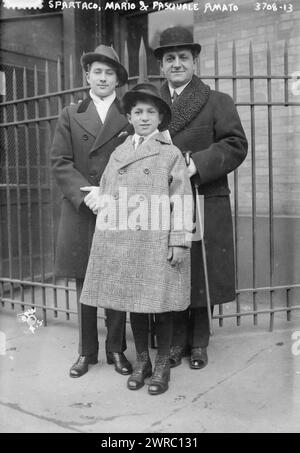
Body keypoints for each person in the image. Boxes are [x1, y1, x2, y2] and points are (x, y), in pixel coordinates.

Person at [80, 83, 193, 395]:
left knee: (163, 304)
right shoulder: (119, 153)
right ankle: (141, 360)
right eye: (138, 112)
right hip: (124, 239)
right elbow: (107, 193)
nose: (144, 118)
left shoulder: (170, 154)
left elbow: (182, 199)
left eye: (151, 112)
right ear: (128, 116)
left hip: (157, 237)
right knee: (136, 305)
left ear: (160, 118)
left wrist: (179, 241)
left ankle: (161, 367)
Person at [153, 26, 248, 370]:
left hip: (203, 195)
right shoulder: (151, 103)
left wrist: (198, 164)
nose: (176, 64)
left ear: (194, 61)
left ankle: (199, 343)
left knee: (199, 270)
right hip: (162, 199)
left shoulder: (217, 101)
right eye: (169, 59)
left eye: (183, 57)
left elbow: (236, 145)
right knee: (172, 267)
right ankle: (176, 341)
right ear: (161, 66)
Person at [51, 45, 133, 378]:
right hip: (82, 207)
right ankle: (87, 352)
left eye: (109, 73)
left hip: (116, 206)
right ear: (87, 76)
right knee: (84, 280)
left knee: (115, 277)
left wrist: (110, 194)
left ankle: (116, 349)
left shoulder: (129, 113)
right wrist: (86, 193)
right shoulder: (70, 113)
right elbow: (60, 161)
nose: (102, 78)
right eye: (97, 72)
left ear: (117, 79)